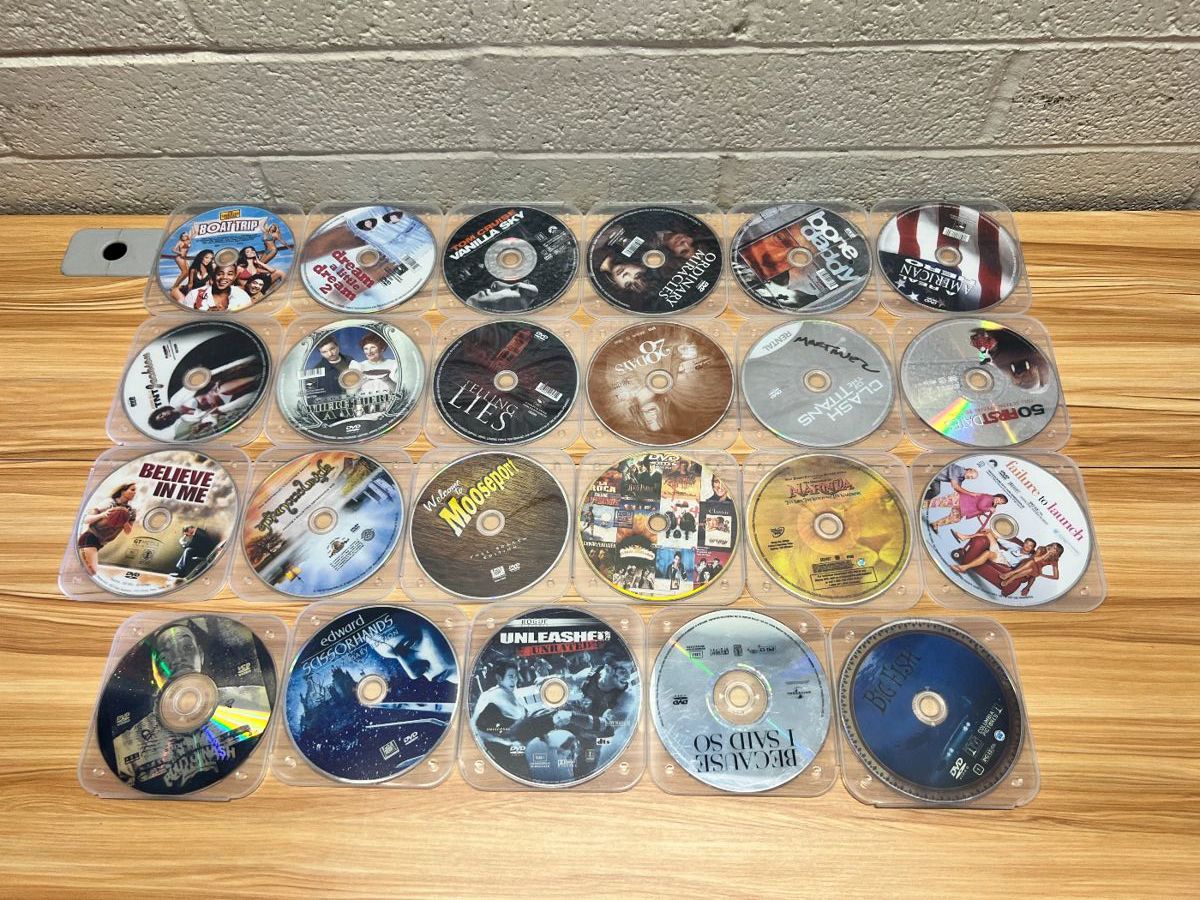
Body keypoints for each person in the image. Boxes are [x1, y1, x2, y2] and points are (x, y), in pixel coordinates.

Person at [148, 355, 263, 437]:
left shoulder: (175, 400)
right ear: (168, 423)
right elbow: (208, 417)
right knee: (255, 389)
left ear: (161, 411)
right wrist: (204, 424)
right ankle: (258, 378)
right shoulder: (187, 420)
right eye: (163, 421)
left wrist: (213, 383)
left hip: (217, 389)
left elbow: (193, 386)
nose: (165, 417)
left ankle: (257, 377)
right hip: (225, 403)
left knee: (225, 390)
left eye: (161, 415)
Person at [77, 482, 137, 576]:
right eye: (132, 489)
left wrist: (124, 520)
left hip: (101, 544)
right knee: (91, 571)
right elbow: (86, 519)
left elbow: (128, 531)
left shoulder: (131, 511)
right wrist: (102, 515)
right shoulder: (109, 503)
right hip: (90, 537)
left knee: (83, 570)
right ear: (123, 491)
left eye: (135, 490)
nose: (134, 492)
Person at [174, 262, 253, 311]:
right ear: (212, 276)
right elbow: (188, 320)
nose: (224, 277)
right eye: (219, 274)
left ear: (235, 277)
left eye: (230, 274)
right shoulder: (194, 295)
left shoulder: (242, 295)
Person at [999, 543, 1064, 596]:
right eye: (1053, 546)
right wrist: (1047, 553)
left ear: (1057, 552)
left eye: (1055, 549)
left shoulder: (1054, 560)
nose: (1052, 549)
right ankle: (1011, 577)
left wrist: (1042, 575)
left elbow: (1056, 577)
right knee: (1031, 564)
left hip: (1036, 570)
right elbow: (1035, 559)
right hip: (1026, 562)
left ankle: (1010, 575)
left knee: (1031, 569)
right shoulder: (1041, 549)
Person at [350, 332, 398, 396]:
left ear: (382, 348)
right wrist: (361, 382)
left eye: (373, 347)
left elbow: (401, 391)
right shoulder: (358, 366)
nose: (369, 352)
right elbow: (350, 393)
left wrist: (388, 380)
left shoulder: (394, 365)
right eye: (366, 349)